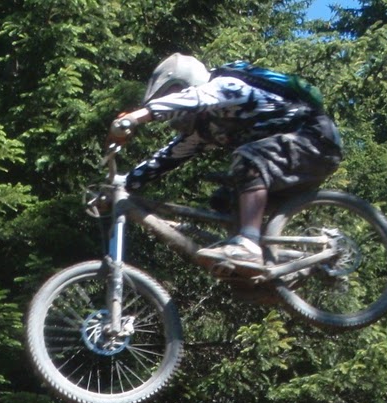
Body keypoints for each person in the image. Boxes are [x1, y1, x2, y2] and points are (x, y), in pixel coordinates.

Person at [109, 53, 343, 269]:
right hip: (290, 158)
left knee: (248, 159)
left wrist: (135, 117)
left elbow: (194, 98)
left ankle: (248, 245)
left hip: (316, 141)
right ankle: (266, 267)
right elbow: (166, 158)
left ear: (188, 83)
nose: (173, 117)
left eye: (174, 92)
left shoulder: (225, 86)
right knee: (225, 199)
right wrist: (123, 183)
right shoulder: (203, 129)